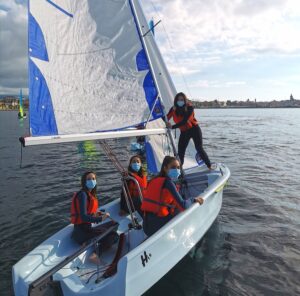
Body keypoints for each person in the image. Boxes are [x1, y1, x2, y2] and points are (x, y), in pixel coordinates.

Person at [141, 156, 204, 236]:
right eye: (173, 167)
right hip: (157, 228)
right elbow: (183, 206)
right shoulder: (168, 183)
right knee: (182, 209)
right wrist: (193, 199)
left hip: (146, 226)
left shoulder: (153, 180)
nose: (177, 170)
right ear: (165, 168)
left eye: (178, 167)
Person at [71, 171, 118, 264]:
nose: (92, 181)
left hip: (84, 230)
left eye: (93, 179)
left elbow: (87, 213)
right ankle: (95, 255)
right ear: (84, 181)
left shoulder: (87, 194)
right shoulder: (83, 195)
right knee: (114, 236)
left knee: (113, 224)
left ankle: (90, 242)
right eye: (89, 179)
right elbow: (84, 217)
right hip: (82, 232)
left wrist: (97, 214)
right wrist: (101, 219)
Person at [166, 92, 212, 169]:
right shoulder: (173, 109)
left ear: (185, 100)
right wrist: (160, 112)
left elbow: (185, 121)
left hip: (194, 129)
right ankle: (179, 170)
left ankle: (209, 165)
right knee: (180, 152)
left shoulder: (190, 107)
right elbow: (166, 118)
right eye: (178, 99)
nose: (180, 101)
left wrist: (172, 127)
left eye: (182, 99)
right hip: (184, 132)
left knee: (199, 148)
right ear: (175, 100)